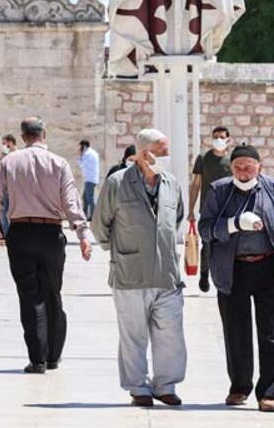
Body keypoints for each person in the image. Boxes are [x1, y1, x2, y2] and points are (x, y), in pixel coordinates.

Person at [199, 144, 274, 413]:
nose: (244, 171)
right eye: (238, 166)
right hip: (232, 269)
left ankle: (268, 393)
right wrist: (234, 223)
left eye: (249, 165)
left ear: (259, 166)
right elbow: (205, 228)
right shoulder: (219, 191)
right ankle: (239, 387)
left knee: (271, 333)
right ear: (231, 168)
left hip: (268, 268)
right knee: (236, 332)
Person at [0, 116, 92, 374]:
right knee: (53, 293)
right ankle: (53, 354)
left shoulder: (9, 162)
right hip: (51, 232)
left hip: (20, 233)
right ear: (45, 134)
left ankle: (37, 359)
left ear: (23, 137)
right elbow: (71, 201)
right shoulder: (59, 163)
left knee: (29, 296)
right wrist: (82, 233)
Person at [92, 128, 186, 408]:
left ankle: (166, 385)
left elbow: (176, 217)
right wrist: (121, 252)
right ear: (145, 154)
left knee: (171, 333)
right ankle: (138, 387)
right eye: (163, 151)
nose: (167, 157)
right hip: (130, 272)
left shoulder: (171, 183)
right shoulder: (117, 183)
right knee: (133, 334)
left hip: (167, 273)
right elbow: (100, 226)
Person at [188, 126, 232, 292]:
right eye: (215, 137)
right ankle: (204, 275)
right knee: (207, 245)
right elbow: (196, 184)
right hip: (208, 210)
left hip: (228, 211)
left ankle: (225, 277)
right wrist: (191, 210)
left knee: (227, 245)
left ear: (228, 139)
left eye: (221, 137)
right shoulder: (203, 158)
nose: (218, 140)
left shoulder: (233, 160)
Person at [78, 140, 100, 221]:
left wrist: (81, 155)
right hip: (92, 178)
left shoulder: (87, 154)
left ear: (84, 146)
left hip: (89, 179)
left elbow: (81, 164)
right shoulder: (93, 153)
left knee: (90, 199)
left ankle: (94, 216)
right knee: (85, 198)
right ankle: (85, 216)